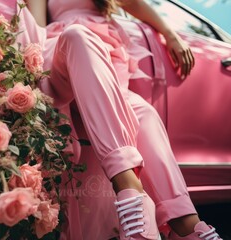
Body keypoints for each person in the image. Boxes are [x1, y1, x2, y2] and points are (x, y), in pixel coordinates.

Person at [18, 0, 223, 239]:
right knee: (78, 35)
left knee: (144, 113)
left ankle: (188, 226)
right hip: (63, 52)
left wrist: (170, 34)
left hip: (105, 62)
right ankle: (129, 189)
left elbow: (134, 3)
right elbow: (37, 27)